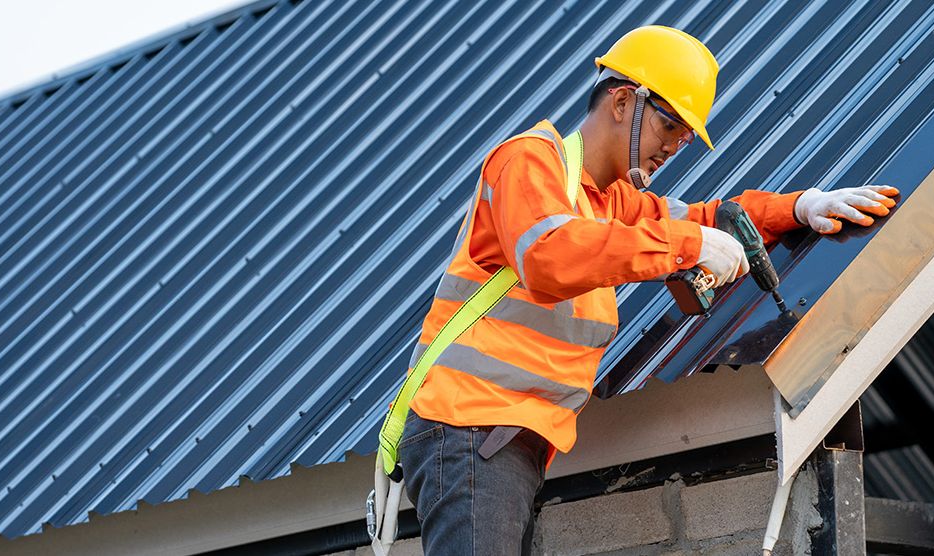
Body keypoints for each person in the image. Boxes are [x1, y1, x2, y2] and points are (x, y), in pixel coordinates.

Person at [377, 25, 899, 555]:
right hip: (470, 426)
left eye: (686, 137)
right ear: (623, 101)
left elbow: (707, 219)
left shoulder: (610, 203)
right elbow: (549, 255)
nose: (674, 147)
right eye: (670, 126)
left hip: (506, 441)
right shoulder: (531, 161)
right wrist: (686, 243)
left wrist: (799, 208)